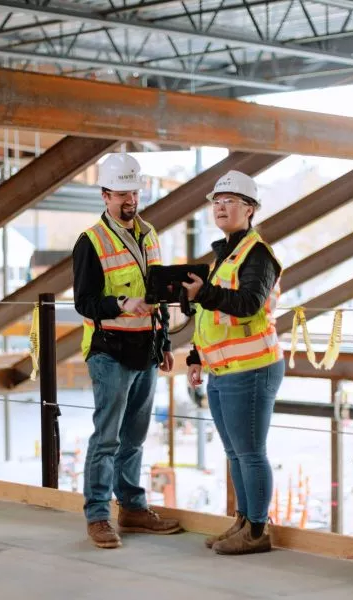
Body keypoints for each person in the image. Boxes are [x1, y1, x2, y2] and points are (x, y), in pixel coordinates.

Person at [73, 152, 181, 549]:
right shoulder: (91, 242)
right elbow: (84, 303)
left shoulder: (150, 234)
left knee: (134, 437)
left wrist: (164, 340)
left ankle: (133, 509)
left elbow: (159, 293)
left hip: (146, 348)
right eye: (122, 193)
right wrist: (121, 303)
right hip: (110, 351)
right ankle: (98, 516)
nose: (130, 200)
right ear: (105, 195)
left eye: (134, 191)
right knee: (107, 439)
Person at [182, 170, 284, 556]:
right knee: (235, 452)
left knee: (250, 451)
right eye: (216, 201)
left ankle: (257, 531)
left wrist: (204, 292)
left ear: (250, 209)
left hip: (252, 368)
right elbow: (211, 317)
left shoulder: (257, 254)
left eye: (230, 201)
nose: (220, 207)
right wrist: (195, 356)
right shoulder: (224, 252)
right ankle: (243, 521)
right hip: (223, 369)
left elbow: (247, 306)